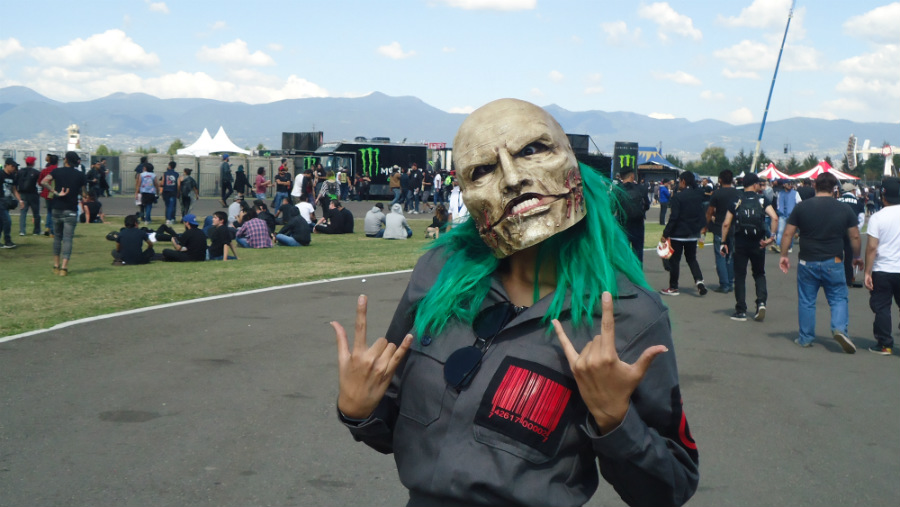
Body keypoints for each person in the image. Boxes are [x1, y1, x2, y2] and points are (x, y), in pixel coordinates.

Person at [331, 98, 698, 507]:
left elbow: (671, 486)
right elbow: (393, 418)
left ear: (572, 161)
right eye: (482, 170)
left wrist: (615, 420)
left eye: (532, 149)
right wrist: (358, 410)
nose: (511, 178)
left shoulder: (630, 315)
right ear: (465, 194)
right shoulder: (439, 273)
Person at [779, 172, 861, 352]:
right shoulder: (844, 208)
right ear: (834, 188)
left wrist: (784, 255)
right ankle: (839, 328)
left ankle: (806, 337)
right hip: (834, 259)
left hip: (807, 260)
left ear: (815, 186)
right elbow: (855, 235)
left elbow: (788, 233)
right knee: (838, 297)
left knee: (807, 300)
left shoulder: (802, 207)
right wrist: (856, 256)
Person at [719, 173, 779, 322]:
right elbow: (774, 217)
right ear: (754, 184)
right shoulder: (762, 200)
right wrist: (771, 237)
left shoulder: (737, 200)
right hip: (758, 242)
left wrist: (723, 242)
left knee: (740, 275)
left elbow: (726, 223)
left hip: (740, 242)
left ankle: (741, 310)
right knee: (759, 273)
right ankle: (761, 302)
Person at [863, 177, 900, 355]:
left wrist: (867, 272)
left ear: (883, 196)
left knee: (882, 307)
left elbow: (872, 247)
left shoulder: (877, 217)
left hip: (883, 268)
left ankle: (885, 344)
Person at [660, 172, 707, 297]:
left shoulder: (678, 197)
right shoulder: (698, 195)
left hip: (678, 233)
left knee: (675, 261)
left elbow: (674, 217)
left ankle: (673, 287)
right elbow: (702, 213)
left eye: (679, 181)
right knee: (692, 259)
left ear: (683, 181)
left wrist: (665, 233)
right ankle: (699, 281)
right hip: (693, 233)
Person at [40, 151, 86, 275]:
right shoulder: (80, 175)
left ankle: (56, 265)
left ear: (65, 160)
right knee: (68, 239)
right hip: (71, 209)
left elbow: (44, 181)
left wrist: (55, 192)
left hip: (57, 207)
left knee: (57, 238)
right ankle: (64, 268)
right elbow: (84, 193)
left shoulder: (56, 171)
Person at [702, 169, 740, 293]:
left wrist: (705, 226)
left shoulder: (717, 194)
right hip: (734, 227)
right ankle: (730, 281)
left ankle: (724, 284)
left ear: (720, 180)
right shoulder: (738, 193)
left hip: (719, 227)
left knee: (721, 256)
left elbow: (710, 212)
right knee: (731, 256)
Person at [615, 165, 650, 263]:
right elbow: (647, 205)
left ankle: (624, 272)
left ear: (621, 176)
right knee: (638, 253)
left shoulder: (617, 189)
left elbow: (612, 207)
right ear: (632, 176)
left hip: (623, 224)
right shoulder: (641, 189)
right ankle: (637, 272)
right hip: (638, 224)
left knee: (623, 253)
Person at [837, 182, 866, 288]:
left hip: (838, 231)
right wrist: (855, 230)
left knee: (836, 255)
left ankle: (835, 277)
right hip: (851, 231)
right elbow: (861, 219)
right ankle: (848, 279)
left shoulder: (837, 201)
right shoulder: (858, 203)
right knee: (849, 256)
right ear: (853, 191)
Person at [15, 156, 42, 236]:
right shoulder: (36, 172)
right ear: (33, 163)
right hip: (33, 194)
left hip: (22, 194)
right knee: (36, 213)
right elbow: (40, 182)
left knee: (23, 213)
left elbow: (16, 182)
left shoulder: (20, 172)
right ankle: (36, 230)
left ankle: (22, 231)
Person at [772, 179, 798, 253]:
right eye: (788, 184)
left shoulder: (795, 193)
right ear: (784, 185)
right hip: (782, 215)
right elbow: (778, 203)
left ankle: (789, 246)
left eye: (791, 184)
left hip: (792, 215)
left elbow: (799, 203)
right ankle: (778, 245)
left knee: (790, 232)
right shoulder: (780, 193)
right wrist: (779, 210)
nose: (790, 185)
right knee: (780, 231)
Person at [1, 158, 21, 248]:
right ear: (7, 165)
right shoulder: (1, 174)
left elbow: (14, 190)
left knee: (1, 222)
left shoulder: (12, 176)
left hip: (7, 201)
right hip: (0, 201)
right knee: (7, 221)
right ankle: (7, 241)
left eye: (15, 166)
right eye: (12, 166)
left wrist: (20, 200)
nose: (14, 168)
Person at [39, 154, 59, 236]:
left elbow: (40, 181)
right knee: (55, 212)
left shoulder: (45, 170)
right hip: (55, 193)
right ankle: (52, 230)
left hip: (46, 193)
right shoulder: (58, 170)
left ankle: (47, 227)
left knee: (49, 211)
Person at [160, 161, 179, 225]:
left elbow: (162, 183)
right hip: (173, 191)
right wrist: (178, 191)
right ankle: (172, 218)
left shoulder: (165, 173)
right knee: (172, 205)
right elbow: (178, 184)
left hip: (166, 191)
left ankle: (168, 218)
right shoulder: (176, 174)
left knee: (167, 205)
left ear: (169, 166)